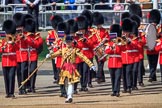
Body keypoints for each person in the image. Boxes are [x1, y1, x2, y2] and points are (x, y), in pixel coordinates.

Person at [46, 36, 96, 103]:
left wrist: (91, 64)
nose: (68, 43)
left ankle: (70, 96)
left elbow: (83, 57)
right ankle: (68, 96)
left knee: (70, 82)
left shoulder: (75, 50)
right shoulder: (63, 50)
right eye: (67, 42)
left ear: (72, 42)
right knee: (65, 83)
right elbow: (56, 54)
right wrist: (50, 56)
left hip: (71, 67)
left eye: (69, 42)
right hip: (64, 68)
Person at [105, 24, 125, 97]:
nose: (114, 39)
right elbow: (107, 51)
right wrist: (112, 47)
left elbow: (124, 49)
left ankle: (117, 91)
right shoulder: (109, 44)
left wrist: (119, 44)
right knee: (112, 78)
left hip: (118, 62)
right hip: (111, 63)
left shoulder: (120, 43)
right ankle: (114, 90)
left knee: (118, 78)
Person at [24, 17, 43, 93]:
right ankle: (27, 85)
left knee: (33, 71)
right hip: (25, 54)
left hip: (33, 55)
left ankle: (32, 86)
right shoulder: (24, 35)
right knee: (25, 71)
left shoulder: (37, 36)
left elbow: (38, 44)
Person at [0, 20, 18, 98]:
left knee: (11, 77)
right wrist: (3, 47)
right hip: (5, 61)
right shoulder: (2, 41)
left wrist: (13, 42)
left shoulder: (15, 40)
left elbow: (17, 48)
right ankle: (7, 93)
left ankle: (12, 92)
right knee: (6, 78)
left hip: (13, 61)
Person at [13, 13, 29, 95]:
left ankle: (24, 86)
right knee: (18, 72)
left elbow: (31, 43)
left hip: (24, 54)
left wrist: (24, 38)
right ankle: (20, 88)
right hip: (17, 55)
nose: (19, 28)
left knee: (24, 71)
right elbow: (13, 45)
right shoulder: (14, 35)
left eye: (21, 27)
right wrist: (15, 39)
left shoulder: (26, 34)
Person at [46, 15, 64, 84]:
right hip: (54, 51)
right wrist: (51, 46)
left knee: (60, 65)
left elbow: (62, 41)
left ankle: (60, 76)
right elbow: (49, 42)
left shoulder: (61, 32)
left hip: (60, 51)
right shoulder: (51, 33)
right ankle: (56, 77)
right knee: (54, 65)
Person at [146, 9, 161, 82]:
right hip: (149, 48)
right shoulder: (148, 28)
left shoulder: (158, 28)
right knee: (150, 63)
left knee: (154, 63)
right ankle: (153, 76)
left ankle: (151, 76)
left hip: (155, 49)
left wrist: (158, 35)